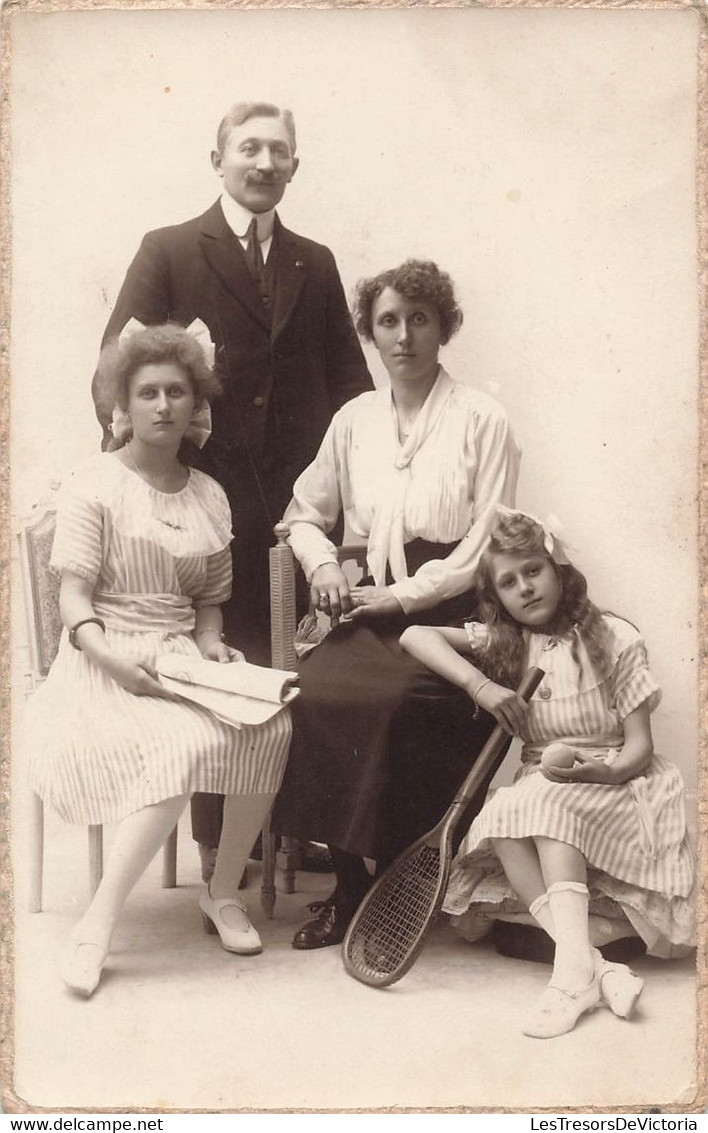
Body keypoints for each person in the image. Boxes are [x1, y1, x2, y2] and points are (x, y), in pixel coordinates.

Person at [90, 101, 372, 873]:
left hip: (299, 508)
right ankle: (225, 851)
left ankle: (293, 827)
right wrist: (145, 483)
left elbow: (352, 387)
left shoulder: (314, 260)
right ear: (216, 158)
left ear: (295, 167)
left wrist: (355, 497)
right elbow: (113, 376)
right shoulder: (172, 249)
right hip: (201, 504)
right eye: (248, 148)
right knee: (222, 661)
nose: (264, 163)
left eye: (279, 151)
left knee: (298, 664)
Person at [28, 324, 292, 998]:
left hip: (179, 655)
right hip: (101, 656)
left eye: (177, 391)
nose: (164, 405)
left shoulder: (208, 493)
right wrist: (112, 659)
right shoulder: (94, 481)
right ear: (125, 402)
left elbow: (208, 599)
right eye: (148, 392)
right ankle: (97, 924)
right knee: (179, 747)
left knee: (273, 724)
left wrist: (210, 643)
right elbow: (74, 597)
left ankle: (222, 889)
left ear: (196, 401)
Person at [271, 259, 521, 949]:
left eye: (419, 319)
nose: (403, 335)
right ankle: (348, 887)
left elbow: (486, 540)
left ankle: (395, 883)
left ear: (445, 327)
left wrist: (403, 596)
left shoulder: (483, 418)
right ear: (370, 334)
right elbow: (304, 513)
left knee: (397, 704)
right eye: (387, 321)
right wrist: (324, 565)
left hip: (452, 613)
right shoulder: (353, 419)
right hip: (364, 602)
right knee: (316, 691)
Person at [400, 507, 695, 1039]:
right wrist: (481, 686)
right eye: (508, 583)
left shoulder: (614, 638)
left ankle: (570, 976)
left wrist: (596, 774)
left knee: (545, 809)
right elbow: (416, 635)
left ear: (557, 568)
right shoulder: (509, 643)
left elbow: (638, 750)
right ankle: (591, 969)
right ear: (498, 596)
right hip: (547, 784)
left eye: (533, 571)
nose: (525, 589)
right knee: (508, 810)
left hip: (619, 783)